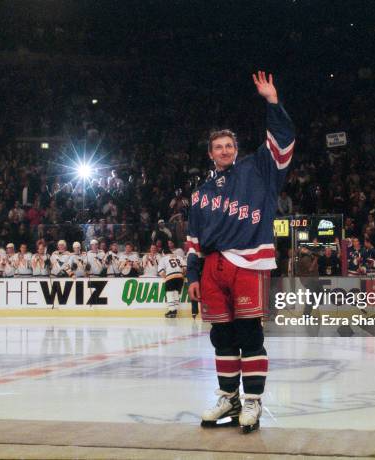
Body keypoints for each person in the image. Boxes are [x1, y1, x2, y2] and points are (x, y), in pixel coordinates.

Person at [187, 71, 295, 433]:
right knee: (222, 336)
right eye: (218, 147)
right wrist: (192, 276)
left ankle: (252, 402)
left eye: (229, 146)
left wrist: (272, 102)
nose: (224, 151)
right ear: (210, 153)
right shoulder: (200, 193)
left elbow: (282, 142)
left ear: (236, 149)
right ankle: (228, 397)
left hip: (249, 261)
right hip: (212, 267)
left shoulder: (258, 170)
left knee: (250, 334)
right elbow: (194, 240)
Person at [159, 247, 186, 318]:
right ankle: (175, 309)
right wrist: (182, 275)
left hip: (170, 277)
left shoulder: (163, 258)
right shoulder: (179, 257)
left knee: (170, 294)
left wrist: (166, 277)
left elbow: (161, 271)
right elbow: (185, 267)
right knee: (176, 293)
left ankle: (172, 311)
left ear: (163, 253)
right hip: (180, 277)